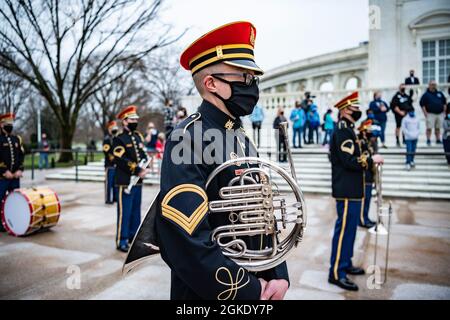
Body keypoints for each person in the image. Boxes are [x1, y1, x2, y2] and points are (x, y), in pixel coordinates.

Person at [156, 21, 289, 300]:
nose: (251, 85)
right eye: (243, 76)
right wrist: (247, 291)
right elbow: (187, 238)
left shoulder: (241, 136)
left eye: (252, 77)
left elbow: (261, 214)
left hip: (257, 282)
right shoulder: (187, 138)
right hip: (210, 294)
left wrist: (276, 274)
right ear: (211, 83)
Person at [328, 92, 384, 291]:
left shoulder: (349, 129)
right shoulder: (343, 129)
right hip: (346, 189)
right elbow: (348, 160)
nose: (358, 111)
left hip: (353, 189)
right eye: (354, 108)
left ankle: (345, 264)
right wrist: (371, 160)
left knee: (350, 231)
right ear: (344, 110)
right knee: (343, 231)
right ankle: (336, 272)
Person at [112, 105, 150, 252]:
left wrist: (146, 164)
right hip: (125, 181)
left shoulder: (138, 137)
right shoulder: (119, 139)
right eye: (132, 119)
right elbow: (120, 159)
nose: (135, 121)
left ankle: (133, 238)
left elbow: (142, 153)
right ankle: (121, 240)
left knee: (136, 211)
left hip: (138, 181)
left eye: (136, 119)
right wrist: (137, 169)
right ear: (125, 121)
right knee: (125, 212)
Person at [0, 113, 24, 232]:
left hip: (15, 177)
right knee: (1, 199)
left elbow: (21, 156)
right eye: (7, 124)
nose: (9, 126)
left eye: (11, 124)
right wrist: (4, 171)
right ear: (1, 125)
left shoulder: (17, 139)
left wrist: (20, 169)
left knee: (15, 200)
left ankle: (13, 221)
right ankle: (1, 224)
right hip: (2, 177)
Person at [357, 119, 376, 228]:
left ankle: (366, 217)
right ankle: (362, 220)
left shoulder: (367, 141)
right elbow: (362, 158)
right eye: (368, 129)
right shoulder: (361, 142)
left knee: (368, 199)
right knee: (364, 200)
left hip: (369, 175)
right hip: (364, 175)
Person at [420, 80, 447, 146]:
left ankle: (438, 139)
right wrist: (425, 113)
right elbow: (422, 104)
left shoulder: (440, 93)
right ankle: (428, 140)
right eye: (432, 84)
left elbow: (444, 103)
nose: (433, 86)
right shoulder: (426, 94)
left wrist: (444, 111)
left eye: (434, 84)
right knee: (429, 128)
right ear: (429, 85)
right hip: (430, 114)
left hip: (440, 114)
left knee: (438, 128)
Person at [103, 121, 119, 204]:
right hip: (109, 165)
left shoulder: (115, 138)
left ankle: (115, 198)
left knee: (115, 183)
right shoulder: (107, 139)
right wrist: (114, 160)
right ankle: (108, 199)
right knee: (109, 183)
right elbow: (107, 151)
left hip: (116, 165)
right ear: (109, 129)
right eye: (112, 128)